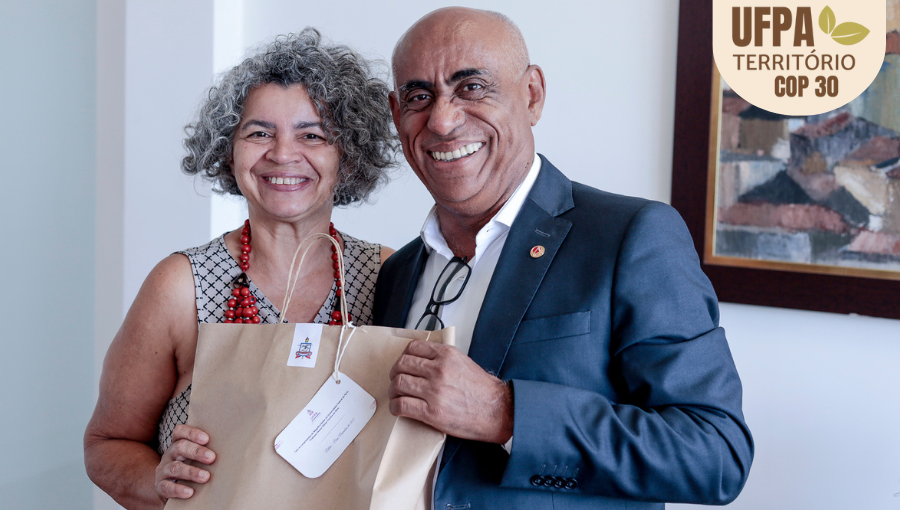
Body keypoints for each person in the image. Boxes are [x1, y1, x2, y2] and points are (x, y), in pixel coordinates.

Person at [375, 7, 754, 509]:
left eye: (472, 87)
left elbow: (714, 454)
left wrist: (506, 414)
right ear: (396, 113)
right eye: (419, 97)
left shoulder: (631, 237)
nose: (442, 120)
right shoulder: (397, 273)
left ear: (532, 94)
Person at [84, 29, 397, 509]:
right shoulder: (180, 286)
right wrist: (158, 481)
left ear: (348, 157)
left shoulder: (389, 275)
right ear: (229, 154)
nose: (282, 153)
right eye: (258, 132)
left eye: (312, 135)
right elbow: (107, 445)